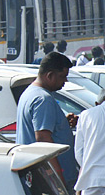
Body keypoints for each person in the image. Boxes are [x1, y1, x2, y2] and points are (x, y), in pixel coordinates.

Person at [15, 52, 79, 186]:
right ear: (49, 75)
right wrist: (58, 179)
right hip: (49, 179)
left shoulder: (30, 93)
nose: (65, 81)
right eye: (62, 77)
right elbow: (43, 139)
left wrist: (61, 124)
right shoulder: (43, 99)